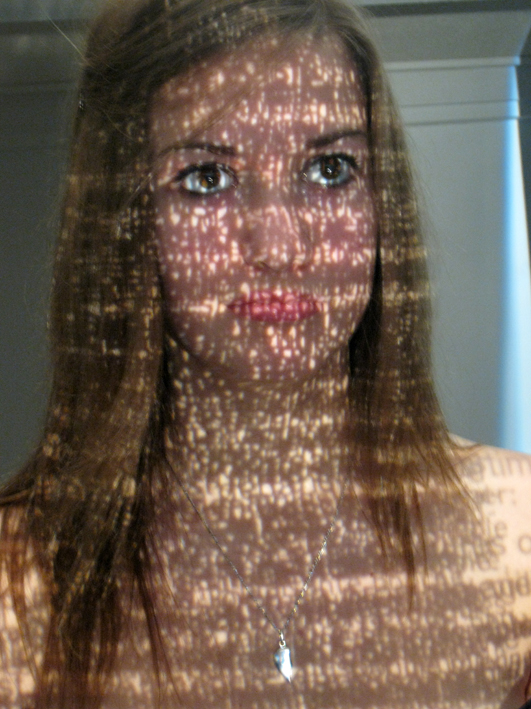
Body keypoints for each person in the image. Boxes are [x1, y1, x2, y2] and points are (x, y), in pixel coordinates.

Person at [1, 0, 531, 707]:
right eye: (206, 178)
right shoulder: (18, 587)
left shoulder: (515, 531)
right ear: (124, 223)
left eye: (329, 169)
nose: (280, 246)